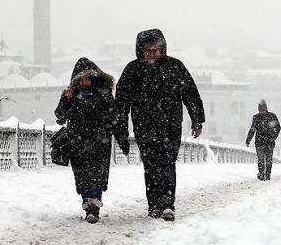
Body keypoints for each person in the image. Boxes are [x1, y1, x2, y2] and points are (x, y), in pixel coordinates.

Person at [115, 29, 205, 221]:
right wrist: (120, 129)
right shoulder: (132, 70)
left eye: (157, 50)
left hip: (170, 125)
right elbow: (121, 103)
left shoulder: (175, 67)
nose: (154, 54)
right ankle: (154, 204)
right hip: (144, 126)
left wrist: (197, 119)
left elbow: (190, 93)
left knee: (167, 163)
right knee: (151, 165)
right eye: (149, 51)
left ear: (162, 49)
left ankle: (166, 204)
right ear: (141, 51)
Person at [55, 57, 131, 224]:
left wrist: (122, 140)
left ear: (94, 77)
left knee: (96, 175)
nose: (84, 82)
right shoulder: (72, 95)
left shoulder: (104, 95)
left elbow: (115, 119)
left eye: (87, 78)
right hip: (78, 143)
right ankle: (88, 204)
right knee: (82, 177)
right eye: (81, 79)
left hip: (99, 143)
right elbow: (60, 117)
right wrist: (66, 99)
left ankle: (93, 207)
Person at [245, 100, 281, 181]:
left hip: (269, 142)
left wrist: (273, 137)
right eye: (260, 110)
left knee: (269, 159)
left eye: (263, 110)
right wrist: (248, 139)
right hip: (259, 142)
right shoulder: (256, 118)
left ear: (266, 109)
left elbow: (277, 128)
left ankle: (268, 174)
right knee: (260, 159)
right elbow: (252, 129)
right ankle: (261, 173)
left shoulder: (272, 117)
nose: (262, 112)